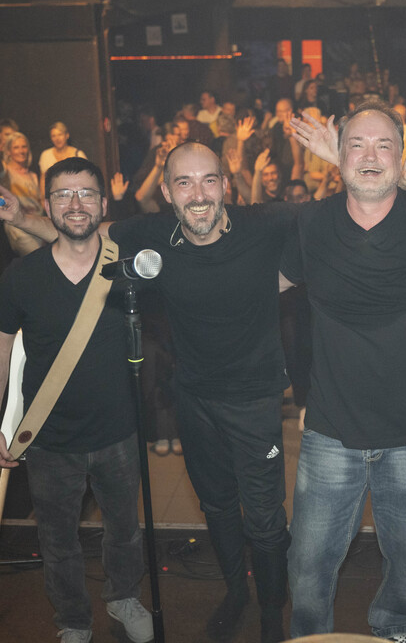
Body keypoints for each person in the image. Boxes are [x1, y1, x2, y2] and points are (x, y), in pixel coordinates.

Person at [1, 142, 295, 643]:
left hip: (255, 400)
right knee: (217, 506)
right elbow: (81, 232)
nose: (197, 193)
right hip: (194, 400)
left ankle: (271, 615)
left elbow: (336, 218)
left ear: (225, 184)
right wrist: (22, 217)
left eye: (208, 180)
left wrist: (394, 181)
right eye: (184, 182)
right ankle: (235, 594)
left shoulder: (263, 222)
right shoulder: (155, 234)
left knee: (266, 519)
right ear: (167, 191)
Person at [282, 100, 406, 643]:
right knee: (307, 567)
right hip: (331, 431)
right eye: (356, 144)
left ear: (402, 156)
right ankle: (311, 639)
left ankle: (392, 631)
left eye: (383, 145)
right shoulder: (310, 224)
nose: (370, 156)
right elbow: (257, 286)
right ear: (338, 155)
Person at [0, 157, 153, 643]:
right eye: (63, 194)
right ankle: (72, 620)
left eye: (86, 193)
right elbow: (2, 350)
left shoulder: (129, 267)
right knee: (57, 540)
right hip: (49, 439)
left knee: (125, 529)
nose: (75, 204)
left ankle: (124, 597)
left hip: (119, 431)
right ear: (47, 206)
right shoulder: (21, 276)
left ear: (104, 204)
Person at [38, 121, 87, 198]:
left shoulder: (78, 155)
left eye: (60, 135)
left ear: (67, 135)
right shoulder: (46, 155)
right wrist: (43, 198)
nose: (57, 139)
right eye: (53, 136)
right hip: (53, 199)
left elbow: (86, 180)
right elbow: (43, 180)